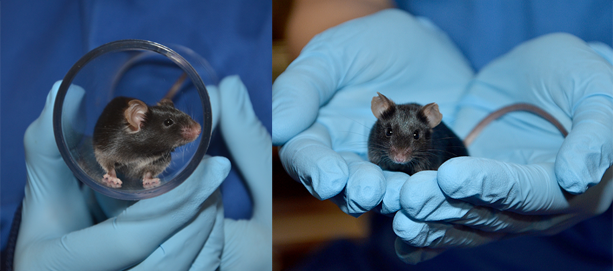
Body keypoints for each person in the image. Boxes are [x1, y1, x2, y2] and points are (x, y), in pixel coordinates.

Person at [273, 0, 613, 269]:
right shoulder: (381, 132)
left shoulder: (435, 140)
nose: (400, 150)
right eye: (389, 133)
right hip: (398, 247)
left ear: (431, 121)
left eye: (414, 141)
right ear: (380, 111)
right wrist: (346, 41)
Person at [0, 1, 271, 270]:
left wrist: (149, 175)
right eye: (168, 122)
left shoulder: (159, 144)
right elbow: (102, 149)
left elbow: (160, 157)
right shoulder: (119, 137)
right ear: (136, 121)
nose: (197, 130)